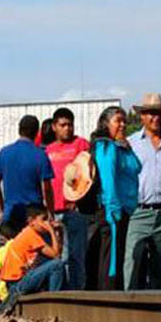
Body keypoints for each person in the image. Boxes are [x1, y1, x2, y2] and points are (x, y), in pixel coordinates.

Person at [126, 93, 161, 290]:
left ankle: (160, 312)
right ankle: (128, 307)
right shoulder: (131, 143)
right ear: (142, 116)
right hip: (138, 211)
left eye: (158, 113)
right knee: (131, 263)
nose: (155, 118)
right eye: (150, 113)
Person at [91, 106, 139, 290]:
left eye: (124, 120)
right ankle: (108, 296)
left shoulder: (120, 147)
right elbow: (107, 179)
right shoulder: (105, 146)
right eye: (118, 120)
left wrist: (127, 147)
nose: (123, 124)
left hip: (125, 210)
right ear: (106, 123)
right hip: (113, 211)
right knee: (110, 260)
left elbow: (136, 166)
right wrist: (113, 209)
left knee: (118, 257)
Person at [0, 204, 65, 305]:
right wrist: (52, 231)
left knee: (50, 264)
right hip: (17, 284)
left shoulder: (29, 233)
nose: (47, 223)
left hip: (12, 284)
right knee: (56, 265)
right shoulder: (31, 235)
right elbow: (56, 255)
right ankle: (54, 302)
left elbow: (55, 252)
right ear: (31, 221)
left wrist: (58, 233)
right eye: (43, 219)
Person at [45, 107, 91, 290]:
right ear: (55, 127)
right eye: (63, 125)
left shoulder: (82, 145)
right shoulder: (47, 150)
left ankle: (77, 292)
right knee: (58, 257)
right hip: (53, 212)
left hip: (75, 211)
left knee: (76, 256)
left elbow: (90, 175)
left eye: (70, 125)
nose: (67, 129)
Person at [0, 115, 55, 230]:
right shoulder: (40, 155)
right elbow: (46, 188)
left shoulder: (4, 153)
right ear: (37, 132)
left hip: (10, 213)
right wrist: (50, 211)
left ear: (19, 130)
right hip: (34, 216)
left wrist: (0, 208)